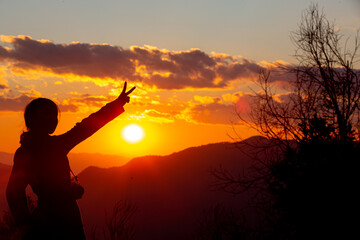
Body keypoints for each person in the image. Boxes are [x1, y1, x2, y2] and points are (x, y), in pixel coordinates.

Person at [6, 82, 135, 239]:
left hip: (51, 218)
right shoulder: (47, 148)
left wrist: (25, 225)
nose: (52, 119)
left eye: (54, 115)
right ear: (32, 119)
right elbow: (14, 192)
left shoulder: (31, 149)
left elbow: (86, 126)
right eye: (46, 115)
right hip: (57, 219)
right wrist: (25, 226)